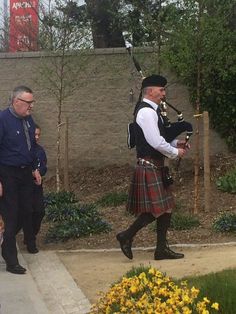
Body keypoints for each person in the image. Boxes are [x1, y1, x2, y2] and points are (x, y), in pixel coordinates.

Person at [116, 74, 189, 260]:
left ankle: (159, 249)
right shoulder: (146, 112)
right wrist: (175, 153)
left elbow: (161, 136)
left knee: (167, 207)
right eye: (161, 90)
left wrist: (177, 143)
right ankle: (127, 236)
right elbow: (156, 142)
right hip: (149, 165)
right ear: (150, 91)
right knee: (159, 209)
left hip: (156, 165)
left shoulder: (153, 111)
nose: (164, 93)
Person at [0, 86, 41, 274]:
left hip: (25, 173)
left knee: (28, 211)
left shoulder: (28, 120)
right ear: (16, 102)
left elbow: (31, 145)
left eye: (32, 102)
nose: (31, 106)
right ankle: (11, 260)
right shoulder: (2, 120)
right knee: (11, 214)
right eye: (28, 103)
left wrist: (34, 168)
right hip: (8, 173)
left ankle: (5, 241)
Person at [30, 124, 47, 244]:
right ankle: (29, 238)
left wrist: (39, 173)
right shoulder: (21, 150)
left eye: (38, 135)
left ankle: (31, 235)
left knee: (39, 211)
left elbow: (44, 167)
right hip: (22, 186)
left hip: (36, 186)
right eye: (34, 134)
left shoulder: (40, 150)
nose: (36, 137)